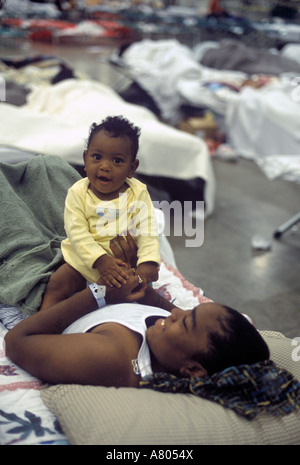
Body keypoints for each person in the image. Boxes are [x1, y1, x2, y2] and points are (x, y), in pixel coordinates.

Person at [5, 236, 270, 388]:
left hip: (56, 294)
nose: (176, 313)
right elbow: (156, 300)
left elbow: (17, 342)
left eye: (185, 323)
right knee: (58, 174)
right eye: (189, 312)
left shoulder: (113, 357)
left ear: (193, 370)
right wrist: (131, 273)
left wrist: (99, 294)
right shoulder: (172, 340)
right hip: (95, 282)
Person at [41, 116, 160, 310]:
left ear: (132, 168)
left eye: (117, 160)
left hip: (125, 268)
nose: (105, 166)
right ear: (85, 159)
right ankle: (42, 323)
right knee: (57, 282)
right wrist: (101, 261)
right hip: (86, 264)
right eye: (97, 157)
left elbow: (147, 231)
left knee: (144, 294)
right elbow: (77, 234)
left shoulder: (137, 192)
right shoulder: (78, 193)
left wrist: (148, 263)